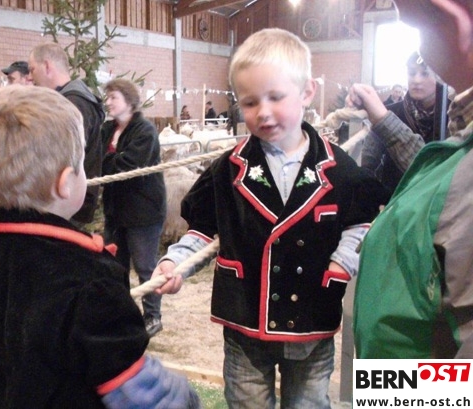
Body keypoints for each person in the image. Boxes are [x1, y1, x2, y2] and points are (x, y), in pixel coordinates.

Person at [153, 28, 386, 408]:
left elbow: (361, 224)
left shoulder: (340, 169)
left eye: (276, 97)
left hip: (312, 317)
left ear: (307, 92)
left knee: (308, 403)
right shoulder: (226, 170)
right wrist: (174, 262)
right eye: (249, 102)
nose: (262, 112)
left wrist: (341, 265)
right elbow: (202, 232)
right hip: (245, 320)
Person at [0, 85, 199, 408]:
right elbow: (142, 396)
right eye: (83, 162)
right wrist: (184, 397)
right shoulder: (92, 279)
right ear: (65, 183)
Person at [353, 0, 473, 359]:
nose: (419, 77)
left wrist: (398, 387)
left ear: (451, 17)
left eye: (419, 28)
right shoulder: (458, 132)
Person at [101, 78, 167, 338]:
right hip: (115, 210)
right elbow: (96, 160)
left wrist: (108, 160)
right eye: (107, 97)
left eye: (113, 97)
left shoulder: (144, 131)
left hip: (143, 211)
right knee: (115, 265)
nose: (108, 102)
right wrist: (110, 160)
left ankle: (152, 316)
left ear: (129, 101)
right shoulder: (107, 130)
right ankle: (123, 314)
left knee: (144, 266)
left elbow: (130, 167)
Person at [28, 43, 105, 227]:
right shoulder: (70, 100)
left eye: (32, 69)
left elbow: (62, 156)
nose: (30, 77)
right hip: (65, 197)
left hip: (67, 201)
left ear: (47, 66)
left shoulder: (73, 103)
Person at [354, 52, 446, 195]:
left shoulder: (453, 115)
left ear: (439, 76)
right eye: (412, 73)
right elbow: (369, 163)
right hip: (393, 199)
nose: (416, 80)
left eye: (425, 73)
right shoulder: (389, 112)